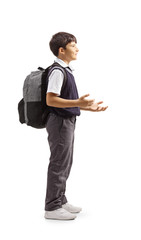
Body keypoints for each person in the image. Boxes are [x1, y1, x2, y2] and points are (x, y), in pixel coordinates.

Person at [44, 32, 108, 220]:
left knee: (65, 162)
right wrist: (78, 103)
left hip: (66, 121)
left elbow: (67, 101)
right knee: (59, 163)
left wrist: (86, 107)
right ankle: (52, 207)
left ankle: (60, 200)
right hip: (59, 122)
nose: (77, 49)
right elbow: (51, 100)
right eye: (73, 46)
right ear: (61, 50)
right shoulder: (57, 70)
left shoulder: (66, 70)